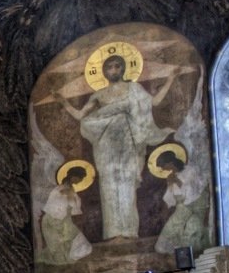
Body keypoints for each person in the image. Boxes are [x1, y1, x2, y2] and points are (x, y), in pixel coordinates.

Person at [67, 53, 170, 241]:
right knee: (108, 186)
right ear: (103, 72)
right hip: (105, 145)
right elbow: (79, 115)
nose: (113, 70)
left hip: (128, 142)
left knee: (127, 184)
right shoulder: (99, 94)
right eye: (109, 67)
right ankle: (113, 233)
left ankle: (129, 232)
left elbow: (153, 102)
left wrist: (171, 79)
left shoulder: (134, 88)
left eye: (117, 66)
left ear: (123, 68)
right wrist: (61, 101)